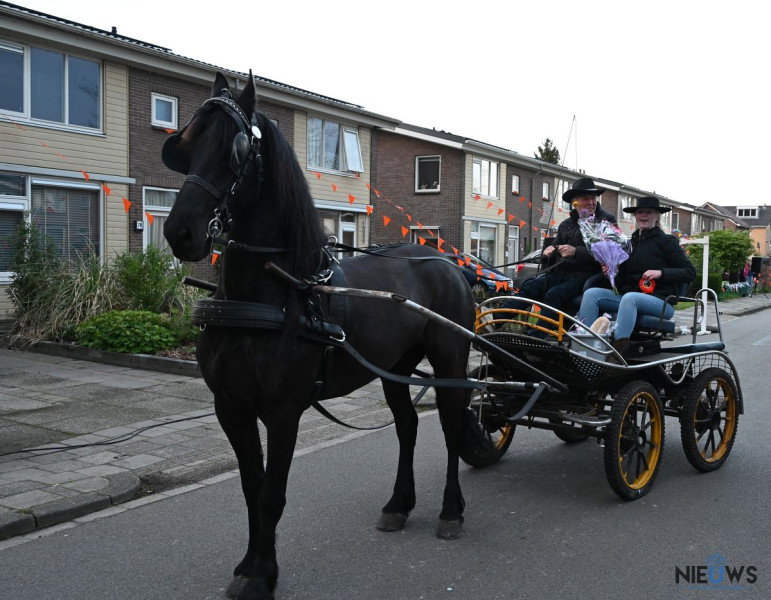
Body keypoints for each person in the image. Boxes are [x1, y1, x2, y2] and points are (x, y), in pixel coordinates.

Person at [576, 196, 695, 359]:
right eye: (640, 212)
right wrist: (611, 272)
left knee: (630, 298)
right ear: (635, 216)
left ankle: (617, 353)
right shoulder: (629, 244)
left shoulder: (667, 241)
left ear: (657, 216)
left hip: (661, 302)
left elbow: (690, 272)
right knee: (592, 294)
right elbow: (623, 281)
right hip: (630, 297)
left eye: (649, 212)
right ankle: (587, 347)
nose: (643, 215)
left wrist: (661, 273)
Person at [499, 177, 616, 332]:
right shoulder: (565, 225)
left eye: (593, 198)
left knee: (554, 294)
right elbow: (555, 249)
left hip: (587, 276)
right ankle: (495, 319)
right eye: (585, 198)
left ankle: (536, 336)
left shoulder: (606, 221)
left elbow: (610, 253)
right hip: (561, 274)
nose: (590, 202)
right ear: (574, 202)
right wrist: (548, 253)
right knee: (530, 286)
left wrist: (576, 251)